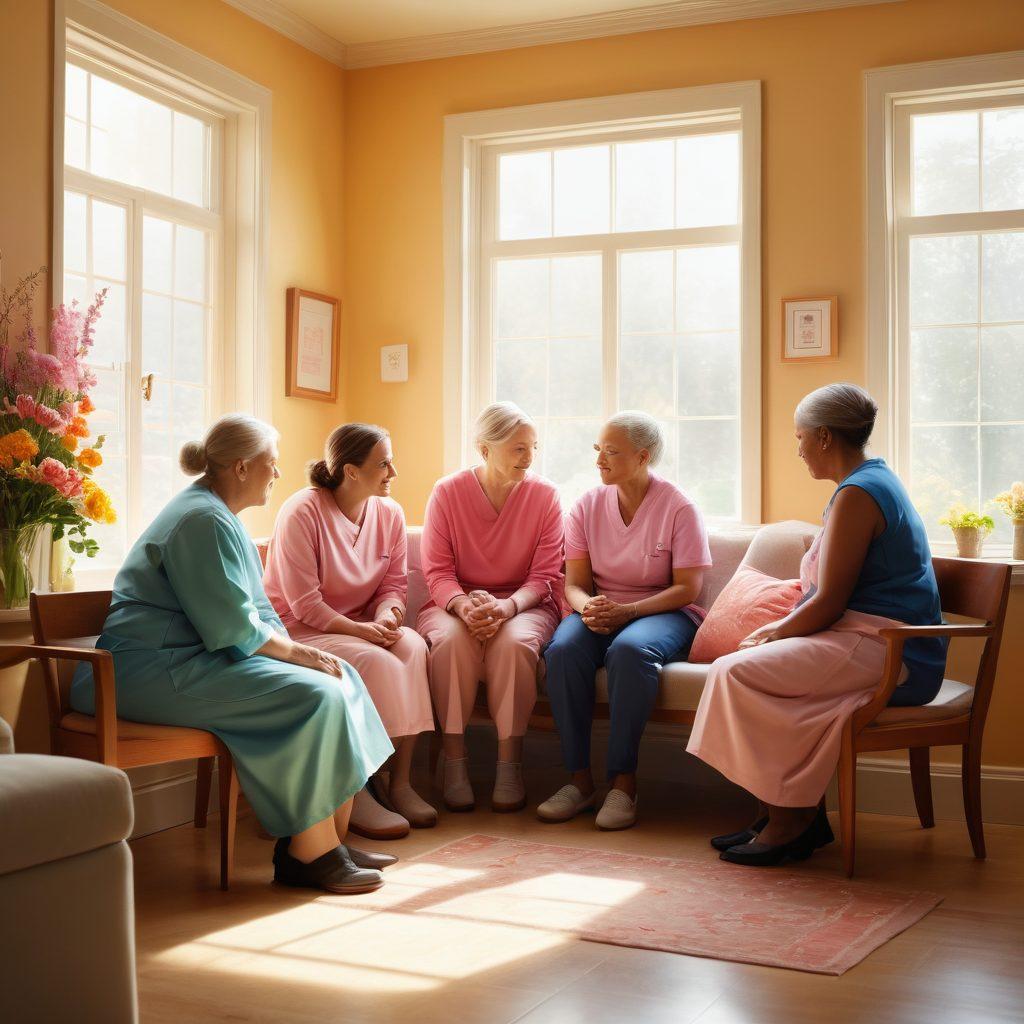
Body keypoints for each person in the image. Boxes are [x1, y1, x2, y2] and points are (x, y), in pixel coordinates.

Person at [69, 414, 395, 894]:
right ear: (242, 468)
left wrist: (301, 652)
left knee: (341, 675)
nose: (278, 474)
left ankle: (326, 841)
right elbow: (232, 625)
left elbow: (257, 610)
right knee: (315, 695)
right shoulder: (202, 519)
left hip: (190, 660)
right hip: (146, 672)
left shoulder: (219, 515)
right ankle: (309, 854)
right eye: (271, 464)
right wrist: (298, 656)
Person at [688, 383, 948, 866]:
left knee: (736, 671)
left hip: (890, 649)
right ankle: (789, 811)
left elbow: (830, 599)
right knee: (754, 675)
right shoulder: (866, 483)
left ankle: (792, 819)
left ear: (825, 437)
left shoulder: (860, 495)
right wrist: (780, 631)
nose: (799, 448)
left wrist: (775, 630)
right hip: (862, 639)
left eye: (800, 437)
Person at [539, 412, 711, 831]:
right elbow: (575, 583)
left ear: (642, 457)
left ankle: (624, 783)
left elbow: (688, 588)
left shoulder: (678, 507)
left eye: (611, 452)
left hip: (664, 612)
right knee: (562, 650)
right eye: (598, 450)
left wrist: (629, 611)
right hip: (601, 609)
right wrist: (587, 608)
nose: (600, 459)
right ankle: (580, 782)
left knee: (630, 651)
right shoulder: (585, 505)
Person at [264, 423, 436, 839]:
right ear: (351, 471)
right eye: (384, 463)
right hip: (299, 631)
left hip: (362, 624)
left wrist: (391, 615)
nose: (393, 472)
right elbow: (304, 604)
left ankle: (400, 782)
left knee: (412, 647)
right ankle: (356, 789)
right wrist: (363, 632)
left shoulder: (389, 513)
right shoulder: (303, 511)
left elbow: (394, 586)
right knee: (375, 661)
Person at [417, 402, 563, 813]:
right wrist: (464, 606)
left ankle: (509, 764)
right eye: (518, 448)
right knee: (449, 644)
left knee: (515, 646)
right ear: (484, 449)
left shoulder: (546, 496)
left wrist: (507, 606)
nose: (529, 457)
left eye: (533, 446)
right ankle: (455, 761)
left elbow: (545, 575)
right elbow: (437, 571)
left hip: (525, 604)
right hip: (454, 603)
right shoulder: (447, 492)